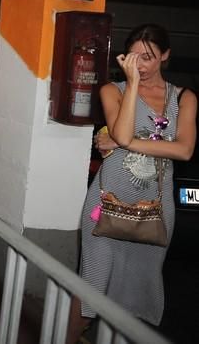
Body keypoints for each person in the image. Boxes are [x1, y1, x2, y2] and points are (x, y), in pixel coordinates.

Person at [73, 24, 196, 337]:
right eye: (134, 57)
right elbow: (123, 130)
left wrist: (123, 141)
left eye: (149, 57)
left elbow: (183, 150)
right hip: (107, 200)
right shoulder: (113, 90)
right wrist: (131, 85)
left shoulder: (184, 98)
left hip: (154, 207)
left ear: (165, 56)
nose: (140, 64)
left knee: (139, 290)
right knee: (92, 286)